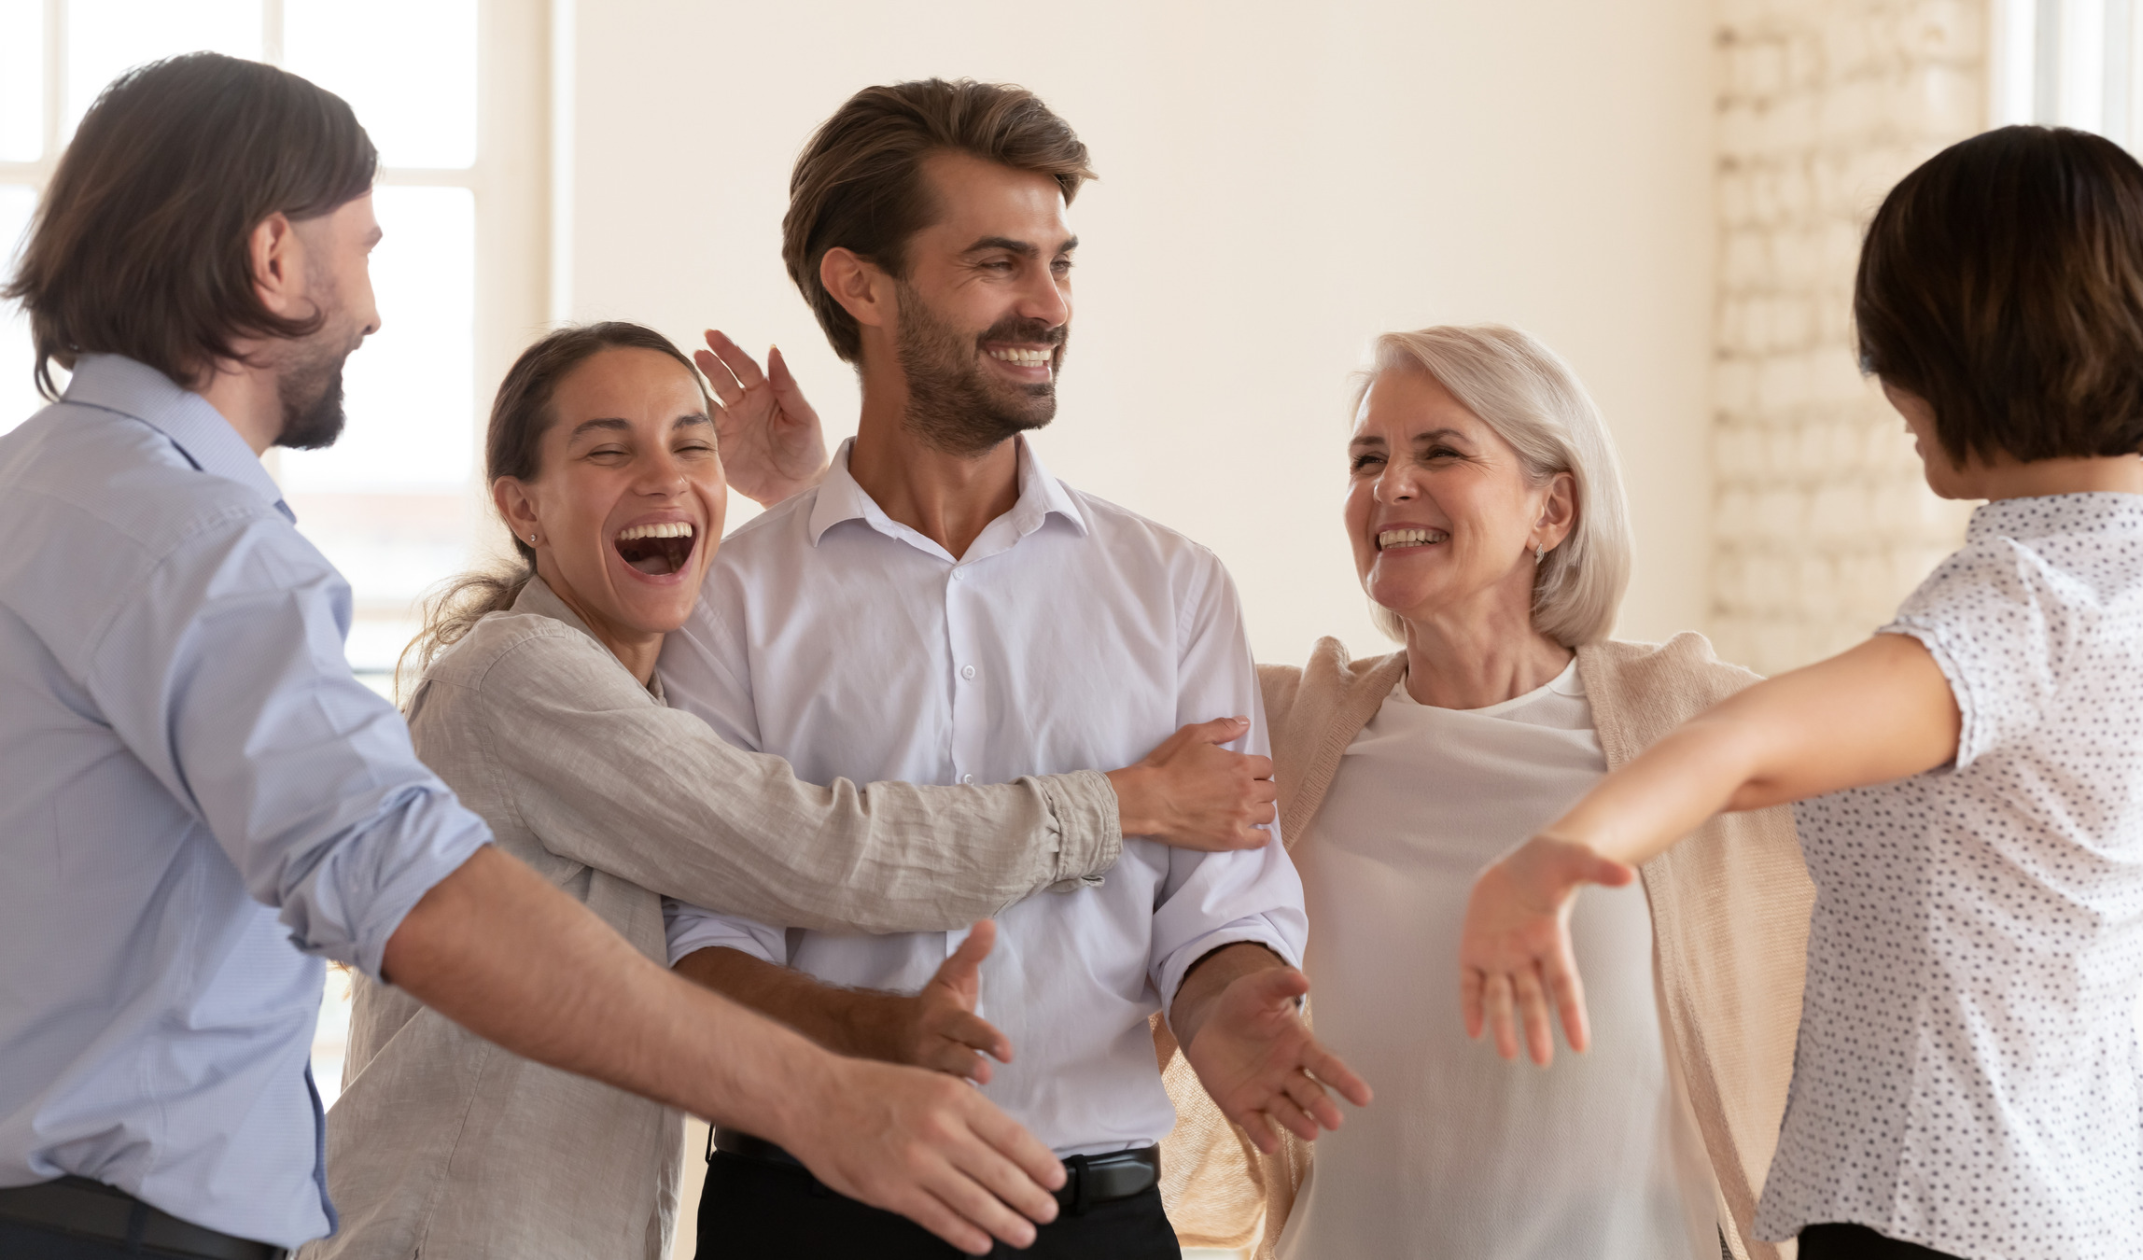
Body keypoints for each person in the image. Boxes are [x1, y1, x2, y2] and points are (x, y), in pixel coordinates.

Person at [0, 54, 1068, 1260]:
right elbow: (412, 889)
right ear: (275, 257)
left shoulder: (46, 492)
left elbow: (761, 671)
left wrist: (799, 504)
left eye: (688, 444)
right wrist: (820, 1098)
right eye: (362, 250)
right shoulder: (202, 546)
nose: (372, 310)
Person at [1151, 319, 2143, 1260]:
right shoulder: (1291, 726)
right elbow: (1127, 849)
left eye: (1440, 451)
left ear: (1551, 510)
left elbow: (1994, 815)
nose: (1389, 486)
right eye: (1366, 458)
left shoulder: (1684, 720)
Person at [306, 320, 1282, 1260]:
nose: (663, 477)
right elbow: (809, 847)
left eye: (690, 444)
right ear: (522, 509)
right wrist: (1124, 804)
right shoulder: (522, 679)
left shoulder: (631, 696)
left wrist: (821, 500)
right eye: (609, 451)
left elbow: (860, 644)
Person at [1458, 126, 2143, 1260]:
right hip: (2087, 1212)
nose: (1885, 391)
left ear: (1977, 348)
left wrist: (1552, 857)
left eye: (1893, 349)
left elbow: (1752, 744)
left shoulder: (2019, 603)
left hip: (1935, 1214)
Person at [657, 79, 1371, 1258]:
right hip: (805, 1219)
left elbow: (1215, 905)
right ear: (860, 286)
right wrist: (874, 1030)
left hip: (1092, 1222)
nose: (1048, 304)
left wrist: (1226, 1002)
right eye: (998, 264)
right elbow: (703, 943)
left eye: (1059, 263)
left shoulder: (1172, 587)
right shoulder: (730, 602)